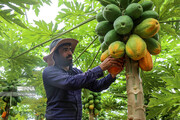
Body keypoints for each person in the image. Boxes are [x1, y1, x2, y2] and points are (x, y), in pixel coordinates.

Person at [42, 38, 124, 120]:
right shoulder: (49, 71)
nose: (70, 53)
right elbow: (70, 83)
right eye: (65, 50)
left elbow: (96, 86)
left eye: (70, 49)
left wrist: (112, 75)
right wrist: (100, 68)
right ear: (55, 55)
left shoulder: (76, 72)